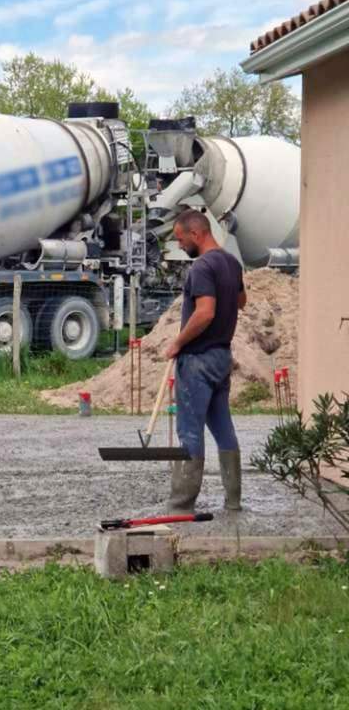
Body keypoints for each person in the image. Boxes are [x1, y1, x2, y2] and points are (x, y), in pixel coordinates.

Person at [164, 209, 246, 511]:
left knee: (189, 430)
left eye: (180, 238)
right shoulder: (231, 264)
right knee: (222, 425)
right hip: (222, 356)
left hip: (197, 358)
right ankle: (233, 500)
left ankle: (182, 502)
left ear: (196, 233)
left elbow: (205, 312)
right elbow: (241, 301)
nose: (180, 244)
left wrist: (177, 342)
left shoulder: (201, 267)